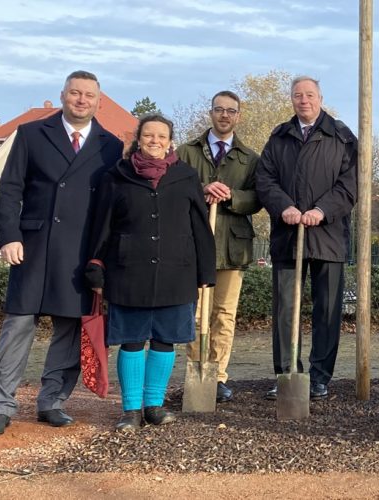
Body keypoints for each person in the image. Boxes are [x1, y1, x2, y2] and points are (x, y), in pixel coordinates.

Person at [0, 70, 124, 437]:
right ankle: (0, 404)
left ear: (98, 101)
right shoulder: (31, 134)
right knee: (18, 325)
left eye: (89, 95)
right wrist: (8, 236)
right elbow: (10, 189)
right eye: (75, 93)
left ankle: (52, 401)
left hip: (79, 251)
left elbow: (110, 206)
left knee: (70, 329)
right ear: (62, 95)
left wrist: (102, 257)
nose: (81, 100)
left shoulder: (110, 144)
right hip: (33, 246)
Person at [84, 114, 216, 431]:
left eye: (161, 136)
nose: (155, 141)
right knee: (131, 341)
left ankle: (153, 406)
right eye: (148, 135)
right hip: (128, 271)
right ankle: (131, 410)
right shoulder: (116, 177)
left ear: (170, 141)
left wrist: (205, 271)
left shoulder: (185, 177)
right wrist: (95, 265)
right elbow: (101, 225)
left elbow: (200, 226)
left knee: (164, 341)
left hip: (177, 273)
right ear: (138, 139)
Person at [256, 76, 358, 401]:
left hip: (329, 238)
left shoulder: (341, 137)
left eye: (309, 95)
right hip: (288, 238)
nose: (304, 100)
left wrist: (322, 210)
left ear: (320, 98)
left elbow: (350, 185)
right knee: (287, 308)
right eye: (298, 95)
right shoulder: (279, 137)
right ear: (291, 100)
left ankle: (319, 377)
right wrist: (283, 206)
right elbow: (265, 178)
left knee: (327, 310)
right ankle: (287, 373)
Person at [175, 90, 262, 403]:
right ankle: (196, 369)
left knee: (224, 315)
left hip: (232, 247)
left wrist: (232, 196)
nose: (225, 115)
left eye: (231, 111)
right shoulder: (186, 152)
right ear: (210, 113)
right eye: (219, 109)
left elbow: (258, 198)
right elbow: (173, 189)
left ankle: (218, 375)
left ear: (238, 116)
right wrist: (201, 189)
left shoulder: (250, 158)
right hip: (195, 246)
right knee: (195, 314)